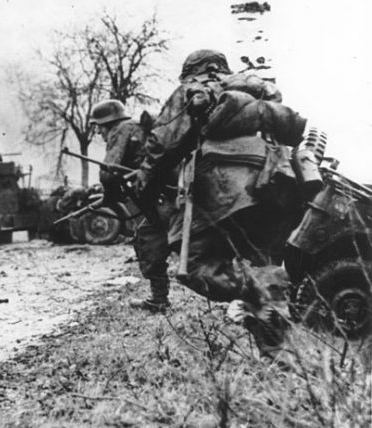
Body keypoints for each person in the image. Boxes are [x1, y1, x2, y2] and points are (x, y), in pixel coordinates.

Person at [134, 49, 307, 356]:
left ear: (191, 71)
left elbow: (163, 143)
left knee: (194, 265)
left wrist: (145, 184)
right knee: (263, 263)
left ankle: (257, 293)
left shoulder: (193, 89)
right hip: (276, 186)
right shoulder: (253, 91)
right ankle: (277, 355)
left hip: (227, 191)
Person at [90, 99, 175, 313]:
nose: (99, 134)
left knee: (147, 239)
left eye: (98, 128)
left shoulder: (120, 131)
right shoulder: (137, 128)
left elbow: (108, 172)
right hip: (168, 193)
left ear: (105, 124)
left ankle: (160, 299)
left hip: (163, 198)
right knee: (150, 236)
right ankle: (159, 299)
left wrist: (109, 197)